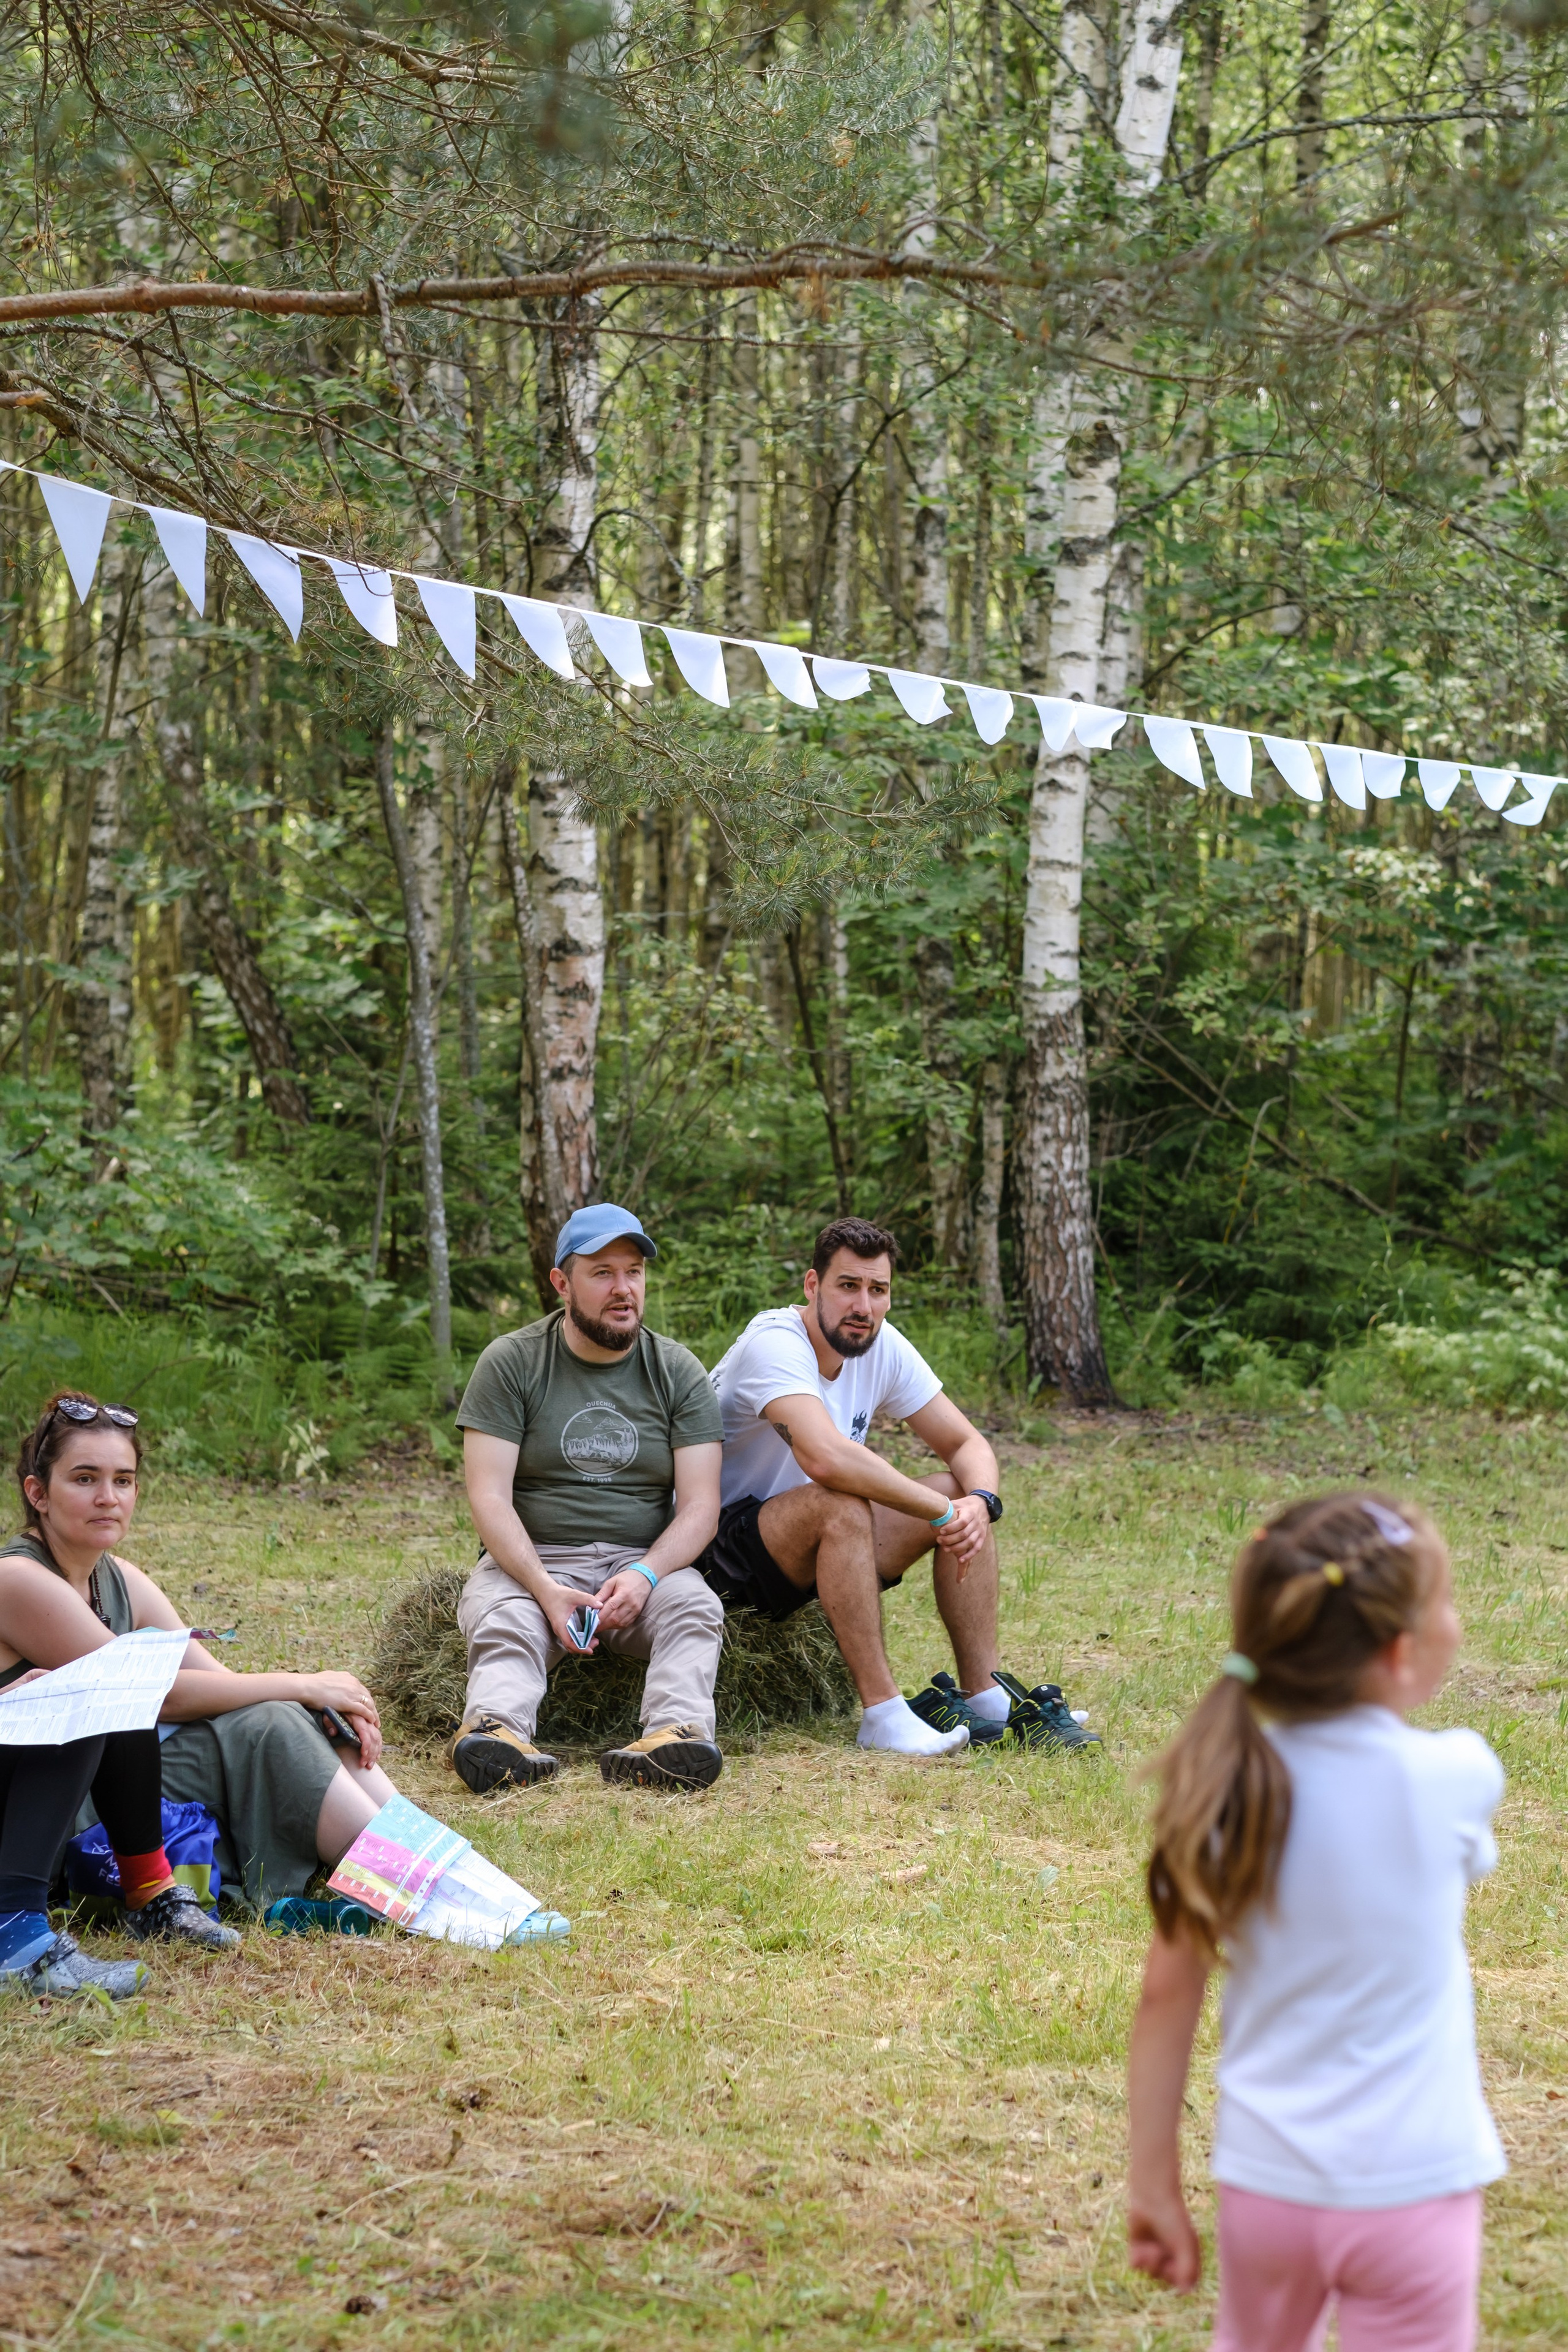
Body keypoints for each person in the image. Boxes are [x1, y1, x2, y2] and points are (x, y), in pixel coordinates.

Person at [1126, 1492, 1504, 2352]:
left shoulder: (1226, 1796)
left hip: (1269, 2190)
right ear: (1402, 1650)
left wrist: (1153, 2182)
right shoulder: (1458, 1775)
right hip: (1417, 2188)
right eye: (1444, 1599)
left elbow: (1164, 1994)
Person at [701, 1216, 1099, 1757]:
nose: (863, 1305)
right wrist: (940, 1509)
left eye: (878, 1290)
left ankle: (985, 1695)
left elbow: (967, 1444)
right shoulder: (773, 1342)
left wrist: (979, 1503)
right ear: (813, 1286)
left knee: (962, 1490)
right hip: (718, 1555)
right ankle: (884, 1714)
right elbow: (825, 1457)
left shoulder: (879, 1343)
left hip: (803, 1551)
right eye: (848, 1286)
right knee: (840, 1503)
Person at [0, 1392, 407, 1917]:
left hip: (116, 1795)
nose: (108, 1497)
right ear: (39, 1493)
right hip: (46, 1813)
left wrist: (320, 1705)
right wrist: (304, 1683)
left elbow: (219, 1685)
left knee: (291, 1719)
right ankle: (411, 1890)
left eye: (122, 1480)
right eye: (85, 1479)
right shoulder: (18, 1580)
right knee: (273, 1726)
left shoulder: (120, 1579)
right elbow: (155, 1697)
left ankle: (425, 1859)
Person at [451, 1203, 726, 1795]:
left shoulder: (678, 1370)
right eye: (603, 1273)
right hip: (533, 1560)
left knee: (696, 1608)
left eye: (634, 1272)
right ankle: (497, 1735)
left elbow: (702, 1505)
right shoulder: (512, 1361)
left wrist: (647, 1575)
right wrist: (545, 1589)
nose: (624, 1289)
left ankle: (674, 1738)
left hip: (638, 1563)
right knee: (507, 1619)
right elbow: (489, 1497)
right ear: (561, 1282)